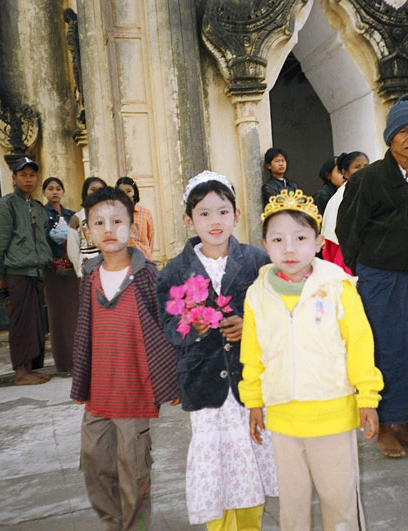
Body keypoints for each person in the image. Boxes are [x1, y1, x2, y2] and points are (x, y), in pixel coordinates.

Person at [240, 189, 383, 531]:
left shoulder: (336, 286)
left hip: (331, 413)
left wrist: (367, 397)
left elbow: (360, 343)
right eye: (278, 239)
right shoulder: (257, 294)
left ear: (318, 242)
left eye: (300, 237)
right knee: (292, 505)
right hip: (283, 417)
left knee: (339, 500)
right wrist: (254, 401)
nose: (289, 248)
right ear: (265, 244)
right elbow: (253, 352)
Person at [157, 171, 277, 530]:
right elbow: (168, 326)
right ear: (188, 220)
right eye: (204, 213)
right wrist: (191, 329)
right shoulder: (174, 272)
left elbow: (278, 313)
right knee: (216, 468)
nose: (215, 221)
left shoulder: (258, 261)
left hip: (251, 383)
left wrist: (250, 327)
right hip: (204, 385)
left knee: (251, 458)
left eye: (223, 211)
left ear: (237, 215)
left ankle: (251, 525)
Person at [337, 96, 408, 458]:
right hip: (377, 280)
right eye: (404, 131)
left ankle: (406, 426)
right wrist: (363, 274)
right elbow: (347, 230)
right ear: (390, 137)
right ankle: (383, 428)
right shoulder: (368, 180)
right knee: (382, 352)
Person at [70, 187, 179, 531]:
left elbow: (166, 327)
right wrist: (81, 382)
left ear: (132, 226)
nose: (109, 229)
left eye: (117, 221)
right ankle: (114, 522)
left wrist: (172, 380)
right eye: (99, 222)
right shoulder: (90, 277)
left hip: (135, 393)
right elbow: (84, 332)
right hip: (99, 393)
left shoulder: (148, 274)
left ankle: (136, 526)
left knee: (134, 472)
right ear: (87, 231)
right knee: (94, 464)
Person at [0, 156, 53, 386]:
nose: (28, 179)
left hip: (35, 271)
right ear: (14, 178)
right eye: (23, 174)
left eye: (32, 175)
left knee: (35, 323)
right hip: (17, 271)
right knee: (21, 322)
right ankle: (20, 373)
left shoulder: (36, 207)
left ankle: (30, 369)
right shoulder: (6, 205)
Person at [42, 177, 78, 373]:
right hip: (53, 271)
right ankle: (64, 362)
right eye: (50, 189)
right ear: (45, 192)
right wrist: (59, 253)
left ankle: (79, 359)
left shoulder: (72, 215)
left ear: (63, 192)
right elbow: (43, 239)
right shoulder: (41, 215)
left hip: (72, 268)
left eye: (58, 188)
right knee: (58, 316)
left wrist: (71, 254)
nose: (54, 192)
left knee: (75, 314)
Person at [322, 152, 369, 274]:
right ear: (344, 172)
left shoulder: (368, 189)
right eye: (357, 167)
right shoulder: (343, 195)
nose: (363, 170)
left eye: (366, 166)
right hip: (346, 252)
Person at [68, 176, 107, 277]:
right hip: (87, 269)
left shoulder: (110, 216)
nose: (96, 193)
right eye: (92, 189)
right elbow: (73, 248)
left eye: (100, 190)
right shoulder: (77, 218)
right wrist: (79, 269)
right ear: (85, 191)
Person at [116, 176, 155, 260]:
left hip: (143, 263)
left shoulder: (146, 213)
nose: (125, 195)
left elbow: (150, 241)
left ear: (134, 192)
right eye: (121, 192)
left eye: (128, 191)